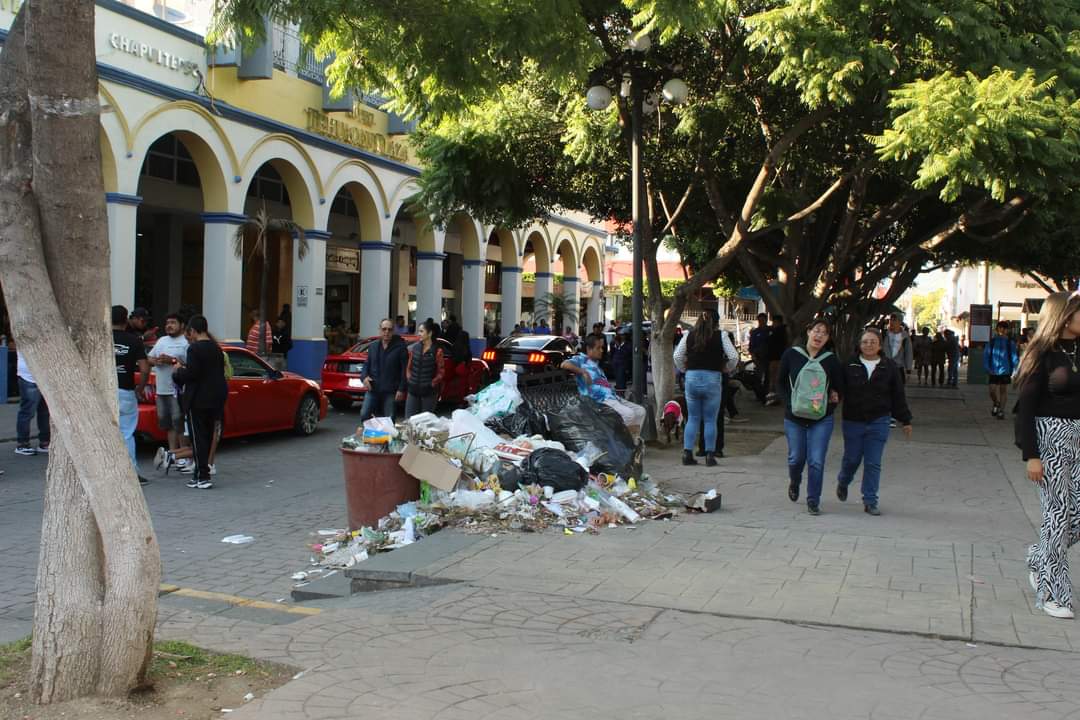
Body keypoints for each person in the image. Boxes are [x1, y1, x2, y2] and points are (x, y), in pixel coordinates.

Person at [1015, 291, 1080, 619]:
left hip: (1079, 438)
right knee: (1058, 517)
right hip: (1050, 438)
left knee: (1076, 516)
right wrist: (1032, 454)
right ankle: (1053, 593)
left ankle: (1039, 558)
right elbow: (1025, 406)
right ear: (1065, 315)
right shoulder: (1041, 352)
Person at [836, 327, 912, 516]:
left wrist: (905, 419)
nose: (869, 345)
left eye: (873, 342)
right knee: (852, 459)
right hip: (853, 421)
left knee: (873, 462)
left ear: (880, 345)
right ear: (859, 345)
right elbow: (838, 390)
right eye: (865, 342)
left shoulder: (889, 367)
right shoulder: (849, 365)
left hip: (879, 421)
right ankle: (844, 481)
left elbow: (898, 395)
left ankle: (870, 500)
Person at [779, 319, 844, 515]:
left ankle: (813, 500)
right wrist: (789, 404)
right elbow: (780, 382)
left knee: (816, 460)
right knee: (796, 458)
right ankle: (795, 480)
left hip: (821, 418)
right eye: (816, 331)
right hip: (794, 417)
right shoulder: (792, 355)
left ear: (828, 338)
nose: (819, 336)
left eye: (824, 333)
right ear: (808, 331)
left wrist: (832, 399)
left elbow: (840, 387)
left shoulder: (831, 360)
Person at [674, 313, 738, 466]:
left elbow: (677, 356)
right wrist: (725, 368)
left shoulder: (688, 335)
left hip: (692, 378)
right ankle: (710, 455)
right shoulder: (721, 336)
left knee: (693, 418)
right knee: (710, 419)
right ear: (715, 322)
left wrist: (685, 369)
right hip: (713, 379)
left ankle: (687, 453)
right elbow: (734, 357)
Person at [173, 315, 228, 490]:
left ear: (194, 331)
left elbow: (192, 374)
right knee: (208, 434)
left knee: (198, 438)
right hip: (216, 397)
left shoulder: (195, 349)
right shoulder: (216, 348)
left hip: (199, 399)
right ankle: (200, 474)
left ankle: (202, 475)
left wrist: (178, 371)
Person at [561, 334, 647, 438]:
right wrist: (582, 372)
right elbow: (564, 364)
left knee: (640, 411)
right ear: (589, 349)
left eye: (602, 347)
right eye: (598, 348)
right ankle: (621, 444)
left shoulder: (596, 365)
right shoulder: (581, 359)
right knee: (629, 414)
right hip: (599, 401)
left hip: (613, 398)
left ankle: (633, 442)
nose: (601, 350)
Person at [112, 306, 150, 485]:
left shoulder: (100, 339)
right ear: (125, 320)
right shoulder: (133, 340)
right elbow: (144, 368)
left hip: (104, 391)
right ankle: (131, 472)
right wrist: (140, 388)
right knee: (126, 433)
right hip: (126, 391)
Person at [148, 313, 190, 471]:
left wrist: (172, 360)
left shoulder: (186, 342)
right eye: (167, 323)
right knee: (168, 424)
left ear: (182, 325)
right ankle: (172, 454)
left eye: (173, 323)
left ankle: (184, 457)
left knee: (179, 423)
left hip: (178, 390)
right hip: (162, 389)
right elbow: (149, 358)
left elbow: (190, 364)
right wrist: (156, 360)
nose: (169, 326)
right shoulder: (161, 341)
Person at [361, 319, 408, 421]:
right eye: (384, 329)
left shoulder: (400, 347)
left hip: (390, 391)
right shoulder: (373, 346)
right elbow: (366, 365)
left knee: (389, 420)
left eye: (389, 329)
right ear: (380, 330)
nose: (386, 332)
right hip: (373, 389)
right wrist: (364, 377)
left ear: (393, 331)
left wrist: (401, 389)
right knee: (364, 415)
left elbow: (404, 370)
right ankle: (372, 435)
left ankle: (388, 437)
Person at [405, 319, 446, 418]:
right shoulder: (414, 348)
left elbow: (441, 372)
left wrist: (432, 383)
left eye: (421, 331)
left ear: (430, 333)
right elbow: (408, 367)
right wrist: (410, 380)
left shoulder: (437, 351)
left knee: (425, 422)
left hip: (429, 392)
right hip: (413, 390)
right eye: (418, 331)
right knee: (409, 420)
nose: (419, 334)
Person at [14, 351, 49, 456]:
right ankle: (22, 444)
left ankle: (44, 442)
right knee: (27, 412)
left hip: (43, 378)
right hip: (29, 377)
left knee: (45, 412)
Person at [984, 320, 1019, 419]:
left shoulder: (1010, 343)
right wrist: (987, 367)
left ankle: (1001, 411)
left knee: (1003, 390)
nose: (1002, 330)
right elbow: (986, 355)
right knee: (992, 391)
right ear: (997, 329)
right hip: (993, 370)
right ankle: (996, 403)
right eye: (1000, 328)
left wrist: (1016, 369)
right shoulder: (992, 342)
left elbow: (1014, 357)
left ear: (1007, 330)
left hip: (1005, 370)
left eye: (1004, 328)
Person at [883, 314, 914, 382]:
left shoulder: (905, 336)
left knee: (898, 391)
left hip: (898, 368)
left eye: (894, 320)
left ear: (900, 322)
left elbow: (908, 352)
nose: (891, 322)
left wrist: (908, 369)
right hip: (885, 368)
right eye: (890, 320)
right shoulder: (884, 334)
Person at [765, 315, 788, 405]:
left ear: (777, 322)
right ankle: (776, 398)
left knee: (773, 379)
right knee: (776, 379)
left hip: (775, 358)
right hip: (778, 357)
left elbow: (770, 341)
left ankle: (773, 399)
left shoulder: (776, 332)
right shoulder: (783, 331)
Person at [749, 313, 771, 400]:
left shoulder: (771, 331)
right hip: (758, 358)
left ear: (766, 320)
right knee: (758, 377)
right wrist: (753, 356)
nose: (761, 322)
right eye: (760, 320)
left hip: (770, 358)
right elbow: (751, 346)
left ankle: (766, 394)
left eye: (763, 320)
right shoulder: (755, 332)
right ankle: (759, 395)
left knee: (768, 377)